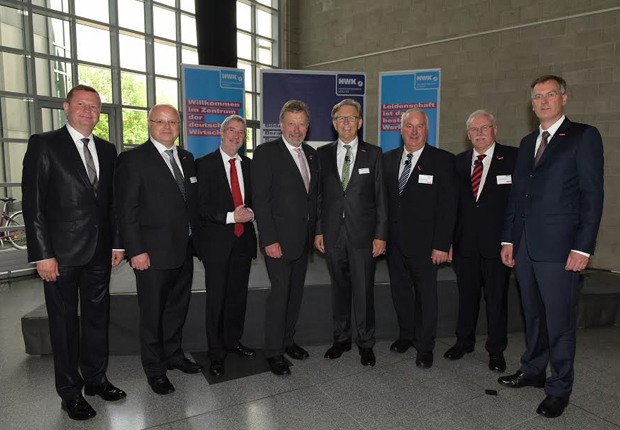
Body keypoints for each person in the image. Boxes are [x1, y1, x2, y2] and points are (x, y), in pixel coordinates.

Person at [498, 75, 604, 418]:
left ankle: (559, 388)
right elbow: (518, 196)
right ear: (532, 104)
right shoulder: (528, 141)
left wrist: (583, 248)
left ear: (564, 98)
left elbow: (592, 196)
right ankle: (533, 370)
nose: (543, 101)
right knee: (533, 314)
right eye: (538, 97)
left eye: (550, 95)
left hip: (561, 249)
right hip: (526, 247)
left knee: (559, 321)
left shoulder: (583, 136)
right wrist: (509, 238)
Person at [22, 84, 126, 421]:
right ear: (66, 107)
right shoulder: (45, 144)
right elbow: (33, 204)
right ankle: (70, 392)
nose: (88, 111)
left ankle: (96, 379)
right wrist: (42, 254)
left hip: (99, 252)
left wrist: (117, 243)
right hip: (60, 255)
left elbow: (112, 204)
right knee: (64, 325)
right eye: (81, 104)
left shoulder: (108, 150)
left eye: (94, 107)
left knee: (97, 318)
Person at [115, 104, 203, 395]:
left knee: (177, 308)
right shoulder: (133, 159)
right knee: (152, 314)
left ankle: (174, 355)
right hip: (151, 254)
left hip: (184, 250)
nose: (167, 127)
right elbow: (126, 209)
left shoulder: (188, 159)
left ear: (180, 125)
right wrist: (135, 250)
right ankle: (155, 369)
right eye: (160, 122)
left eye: (173, 122)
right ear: (149, 124)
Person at [314, 99, 387, 367]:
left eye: (351, 118)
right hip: (333, 234)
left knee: (364, 291)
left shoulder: (375, 153)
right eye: (341, 119)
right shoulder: (322, 154)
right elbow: (319, 197)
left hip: (364, 236)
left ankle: (365, 343)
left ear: (359, 122)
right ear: (334, 124)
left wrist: (381, 235)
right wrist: (319, 230)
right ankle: (342, 339)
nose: (346, 123)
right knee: (340, 289)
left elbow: (381, 198)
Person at [383, 109, 458, 368]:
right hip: (394, 244)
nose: (414, 132)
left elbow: (448, 206)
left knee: (426, 295)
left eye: (419, 126)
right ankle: (407, 335)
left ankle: (425, 345)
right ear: (401, 130)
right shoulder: (388, 160)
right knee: (401, 293)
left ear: (427, 129)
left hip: (427, 246)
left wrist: (442, 244)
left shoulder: (442, 160)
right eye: (409, 126)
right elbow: (384, 204)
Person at [445, 110, 517, 372]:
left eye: (485, 127)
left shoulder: (512, 158)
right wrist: (448, 241)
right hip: (464, 245)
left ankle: (496, 350)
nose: (480, 133)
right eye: (474, 129)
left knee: (497, 300)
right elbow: (452, 206)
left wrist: (511, 241)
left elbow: (518, 204)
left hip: (497, 247)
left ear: (495, 130)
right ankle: (463, 342)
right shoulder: (458, 162)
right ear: (468, 135)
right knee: (467, 297)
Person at [252, 100, 319, 375]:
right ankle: (273, 351)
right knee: (280, 295)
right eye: (291, 123)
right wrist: (268, 239)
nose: (296, 129)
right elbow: (260, 199)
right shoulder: (266, 152)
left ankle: (288, 340)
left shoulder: (312, 155)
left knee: (295, 294)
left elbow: (313, 198)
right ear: (281, 125)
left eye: (301, 123)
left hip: (303, 240)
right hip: (278, 241)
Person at [196, 115, 257, 377]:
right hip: (217, 244)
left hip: (243, 242)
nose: (236, 136)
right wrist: (232, 216)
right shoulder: (204, 165)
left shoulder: (251, 166)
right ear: (221, 134)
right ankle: (216, 353)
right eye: (231, 130)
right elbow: (201, 206)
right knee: (217, 301)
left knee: (237, 298)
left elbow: (256, 201)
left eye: (241, 132)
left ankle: (233, 342)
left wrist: (252, 213)